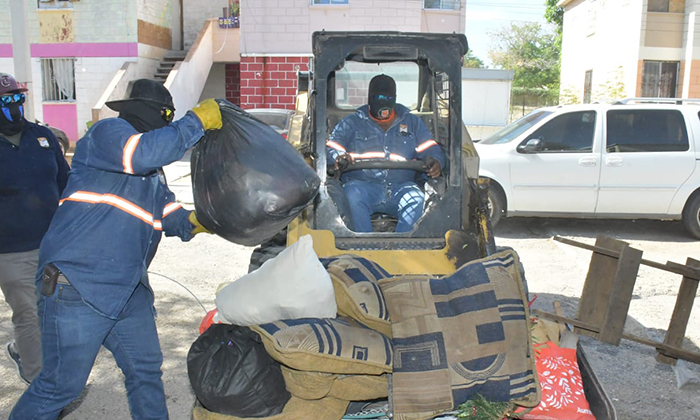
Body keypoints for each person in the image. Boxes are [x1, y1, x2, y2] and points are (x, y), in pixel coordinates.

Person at [9, 79, 221, 420]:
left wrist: (198, 220)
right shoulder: (108, 134)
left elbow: (166, 213)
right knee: (60, 386)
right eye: (166, 116)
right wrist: (196, 121)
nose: (167, 121)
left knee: (146, 372)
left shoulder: (153, 174)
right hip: (78, 285)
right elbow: (143, 153)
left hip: (127, 289)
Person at [0, 73, 70, 384]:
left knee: (56, 310)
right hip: (9, 250)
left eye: (17, 98)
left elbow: (67, 184)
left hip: (53, 244)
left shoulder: (43, 137)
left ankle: (21, 350)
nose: (14, 106)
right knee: (28, 314)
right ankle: (39, 385)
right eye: (5, 101)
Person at [326, 74, 446, 232]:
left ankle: (404, 248)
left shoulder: (412, 123)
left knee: (416, 199)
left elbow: (431, 148)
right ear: (369, 98)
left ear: (395, 98)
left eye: (388, 97)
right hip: (363, 187)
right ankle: (363, 246)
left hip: (401, 187)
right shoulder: (351, 123)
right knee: (351, 195)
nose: (383, 102)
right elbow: (332, 147)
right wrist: (338, 156)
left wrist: (436, 161)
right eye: (378, 97)